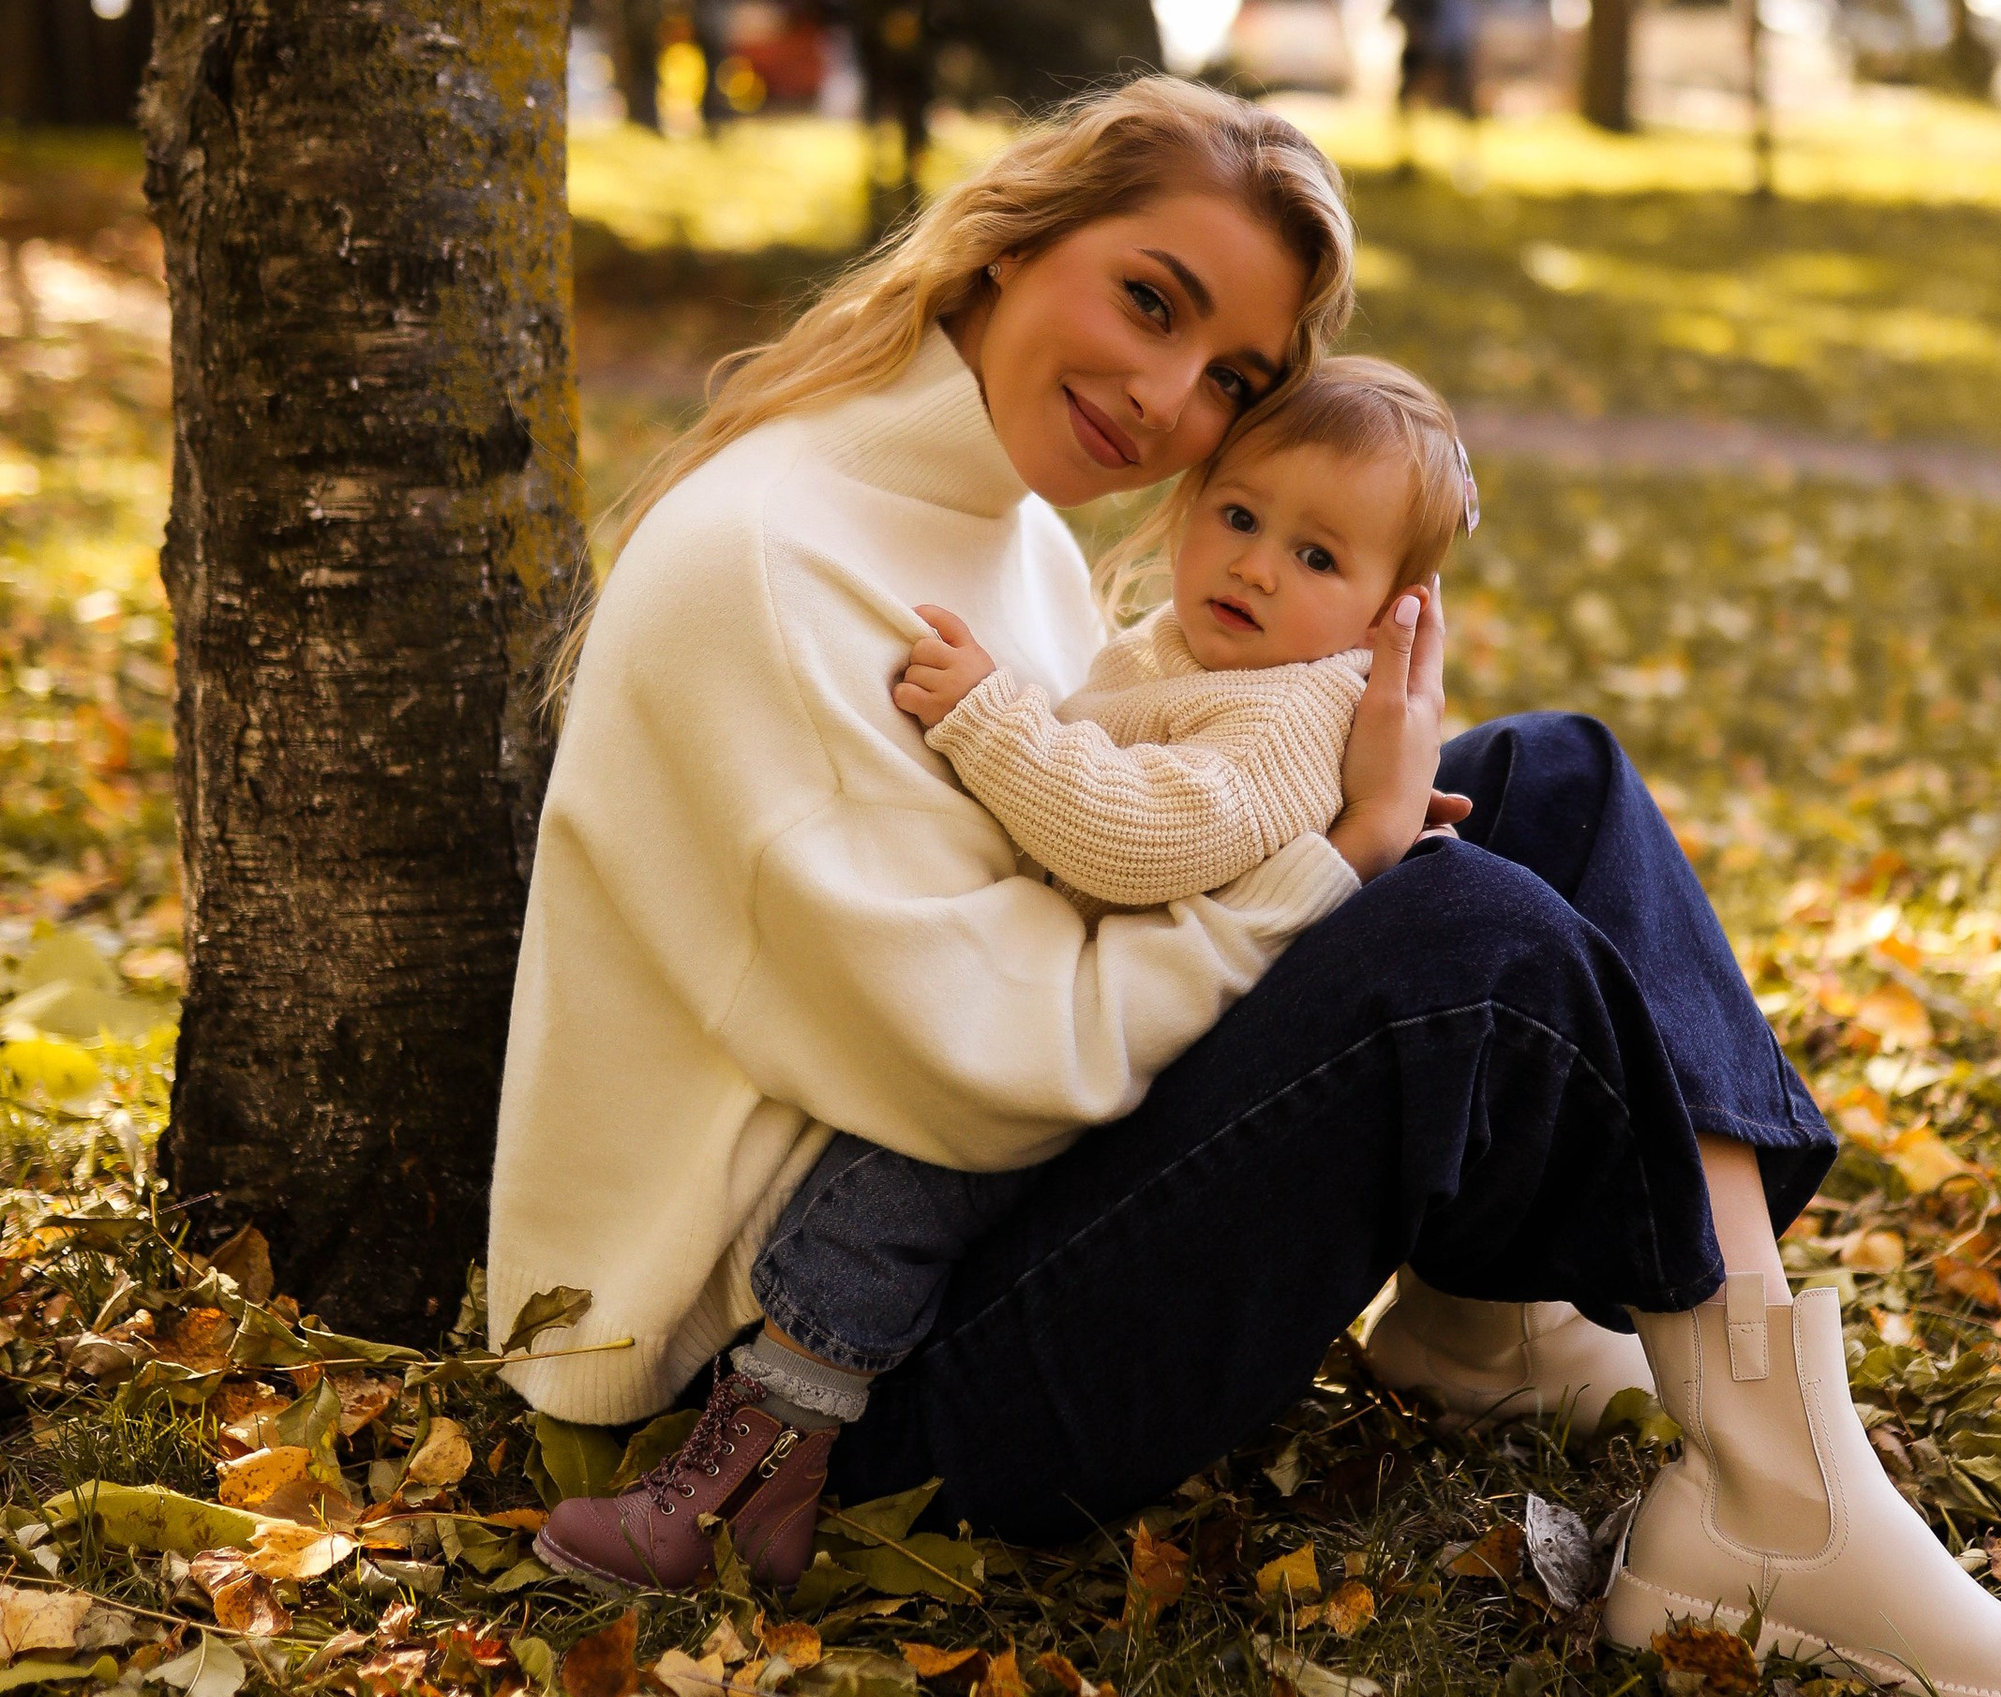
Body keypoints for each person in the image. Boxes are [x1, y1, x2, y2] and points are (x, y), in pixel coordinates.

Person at [490, 75, 2001, 1697]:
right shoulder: (775, 567)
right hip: (834, 1379)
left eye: (1233, 378)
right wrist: (1341, 863)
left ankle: (1545, 1363)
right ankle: (1780, 1511)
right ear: (1007, 241)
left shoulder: (1009, 532)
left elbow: (1127, 859)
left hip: (969, 1236)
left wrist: (1351, 808)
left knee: (1555, 782)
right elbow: (981, 1072)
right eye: (1148, 298)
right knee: (1462, 944)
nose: (1164, 396)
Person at [535, 355, 1482, 1584]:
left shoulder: (1292, 714)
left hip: (1144, 1055)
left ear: (1388, 614)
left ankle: (748, 1486)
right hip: (1088, 1005)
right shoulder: (1200, 657)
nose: (1254, 565)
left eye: (1317, 557)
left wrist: (990, 717)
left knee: (892, 1194)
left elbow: (1136, 836)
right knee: (877, 1169)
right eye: (1239, 517)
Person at [1389, 0, 1477, 120]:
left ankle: (1467, 127)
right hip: (1419, 48)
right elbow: (1394, 13)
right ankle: (1404, 128)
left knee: (1458, 94)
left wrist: (1434, 42)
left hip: (1445, 46)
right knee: (1406, 91)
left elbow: (1452, 22)